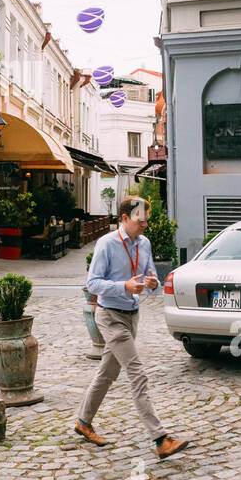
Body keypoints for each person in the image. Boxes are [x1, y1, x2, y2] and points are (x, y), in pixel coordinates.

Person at [75, 195, 190, 459]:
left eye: (147, 222)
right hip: (109, 315)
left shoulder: (145, 243)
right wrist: (123, 286)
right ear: (125, 218)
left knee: (106, 373)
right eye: (141, 221)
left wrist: (152, 284)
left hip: (131, 315)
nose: (145, 226)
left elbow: (152, 279)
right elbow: (92, 284)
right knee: (137, 373)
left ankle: (83, 422)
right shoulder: (106, 244)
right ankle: (161, 439)